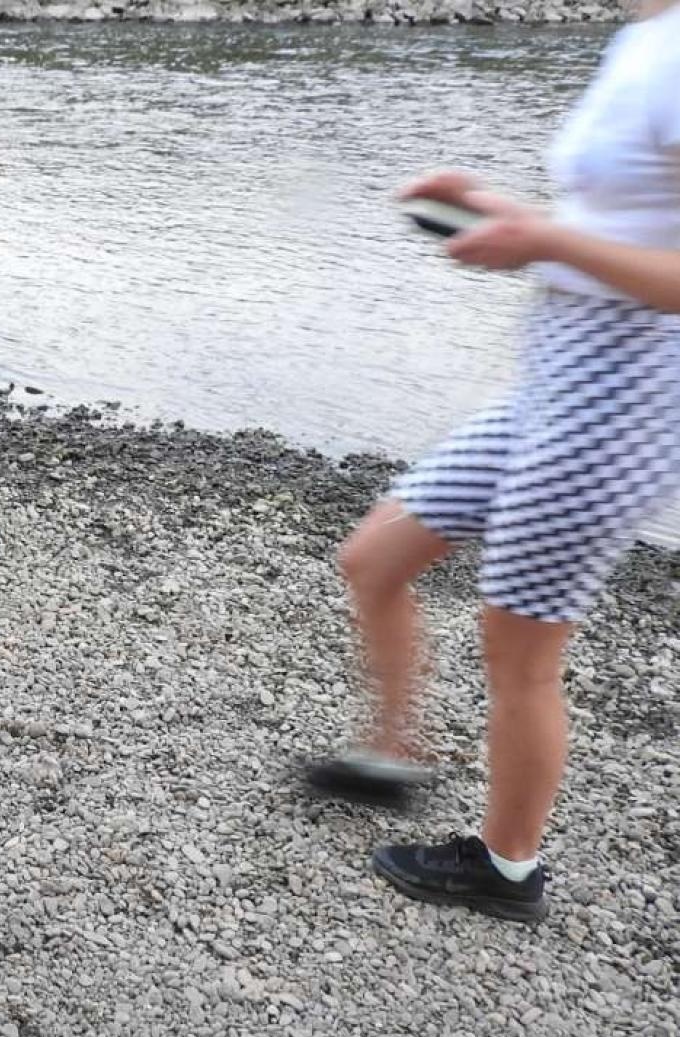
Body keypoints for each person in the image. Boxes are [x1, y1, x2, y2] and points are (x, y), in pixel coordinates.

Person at [308, 0, 680, 923]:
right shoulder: (644, 35)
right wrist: (508, 214)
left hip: (621, 408)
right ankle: (394, 759)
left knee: (520, 650)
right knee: (375, 558)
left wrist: (544, 241)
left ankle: (508, 870)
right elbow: (627, 215)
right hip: (552, 387)